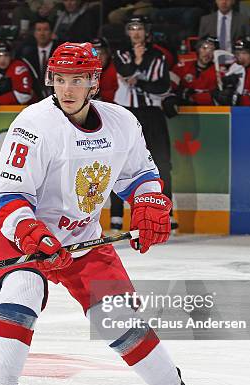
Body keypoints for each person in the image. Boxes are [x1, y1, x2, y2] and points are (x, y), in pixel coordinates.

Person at [0, 41, 202, 385]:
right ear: (51, 79)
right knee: (21, 294)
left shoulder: (121, 122)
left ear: (94, 83)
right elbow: (7, 198)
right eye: (60, 80)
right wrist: (34, 236)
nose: (67, 89)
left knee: (118, 321)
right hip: (26, 238)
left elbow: (139, 175)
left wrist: (149, 202)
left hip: (84, 240)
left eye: (78, 80)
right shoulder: (33, 125)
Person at [112, 16, 175, 231]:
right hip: (126, 114)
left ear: (146, 31)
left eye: (139, 28)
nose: (136, 32)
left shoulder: (158, 55)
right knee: (120, 162)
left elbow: (162, 87)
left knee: (162, 163)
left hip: (152, 113)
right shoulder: (121, 52)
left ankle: (167, 212)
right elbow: (126, 71)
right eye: (132, 28)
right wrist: (139, 70)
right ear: (127, 32)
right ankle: (116, 215)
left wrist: (138, 79)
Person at [17, 18, 59, 101]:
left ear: (51, 33)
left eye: (45, 30)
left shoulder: (60, 52)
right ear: (34, 33)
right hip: (36, 100)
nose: (42, 33)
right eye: (39, 30)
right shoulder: (27, 55)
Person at [171, 35, 220, 105]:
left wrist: (195, 97)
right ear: (198, 49)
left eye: (212, 50)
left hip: (209, 111)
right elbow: (168, 88)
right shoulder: (182, 67)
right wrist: (180, 93)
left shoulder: (219, 72)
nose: (207, 54)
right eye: (204, 48)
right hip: (184, 110)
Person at [91, 37, 118, 103]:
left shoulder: (117, 70)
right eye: (95, 54)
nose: (98, 57)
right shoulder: (84, 71)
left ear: (108, 54)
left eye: (102, 53)